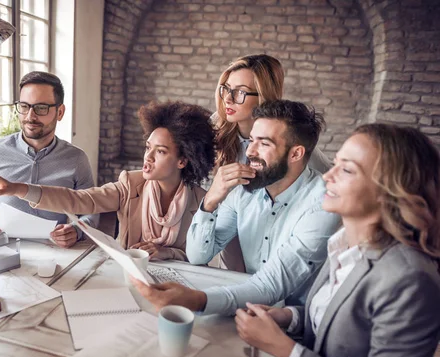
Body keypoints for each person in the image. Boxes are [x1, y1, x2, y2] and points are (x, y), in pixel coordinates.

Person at [234, 124, 440, 357]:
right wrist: (289, 317)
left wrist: (283, 348)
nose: (328, 176)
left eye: (347, 169)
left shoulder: (411, 279)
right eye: (336, 163)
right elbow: (335, 320)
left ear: (390, 190)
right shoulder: (344, 241)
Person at [131, 100, 341, 313]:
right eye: (251, 140)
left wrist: (196, 300)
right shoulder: (244, 189)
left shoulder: (324, 204)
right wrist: (211, 200)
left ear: (295, 154)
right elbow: (198, 256)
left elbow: (271, 286)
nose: (250, 151)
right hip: (248, 308)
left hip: (298, 323)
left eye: (264, 143)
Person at [0, 101, 215, 261]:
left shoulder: (202, 201)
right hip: (129, 278)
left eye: (160, 152)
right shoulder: (130, 184)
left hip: (178, 284)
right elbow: (78, 200)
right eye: (147, 147)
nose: (147, 158)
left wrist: (165, 252)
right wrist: (16, 188)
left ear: (183, 160)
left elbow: (199, 257)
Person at [212, 54, 330, 271]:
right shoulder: (216, 127)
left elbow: (332, 180)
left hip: (268, 230)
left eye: (240, 92)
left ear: (263, 97)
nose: (228, 99)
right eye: (226, 88)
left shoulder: (294, 147)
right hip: (224, 226)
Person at [0, 71, 99, 248]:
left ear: (60, 112)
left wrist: (76, 230)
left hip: (55, 254)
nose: (30, 117)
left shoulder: (76, 159)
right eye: (24, 106)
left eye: (41, 108)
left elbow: (91, 209)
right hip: (1, 251)